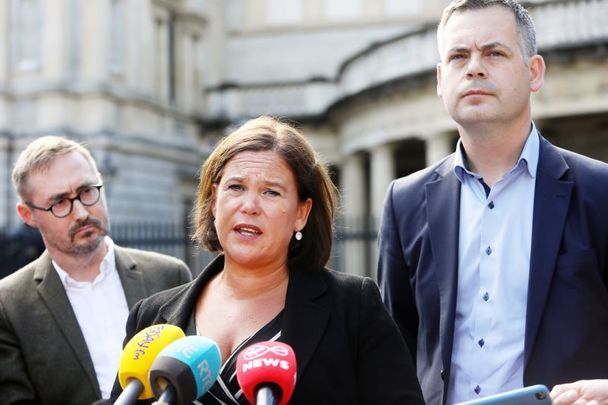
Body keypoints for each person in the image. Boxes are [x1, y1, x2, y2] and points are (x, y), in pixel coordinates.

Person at [377, 0, 608, 404]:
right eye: (458, 56)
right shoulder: (405, 202)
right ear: (440, 78)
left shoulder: (600, 191)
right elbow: (390, 348)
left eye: (494, 53)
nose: (474, 68)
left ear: (534, 72)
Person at [110, 116, 425, 404]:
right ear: (214, 201)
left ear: (302, 213)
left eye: (271, 192)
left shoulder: (354, 308)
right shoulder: (150, 317)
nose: (249, 205)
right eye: (235, 187)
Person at [0, 136, 192, 404]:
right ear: (28, 215)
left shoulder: (169, 275)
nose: (80, 212)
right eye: (59, 202)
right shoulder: (8, 305)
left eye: (87, 191)